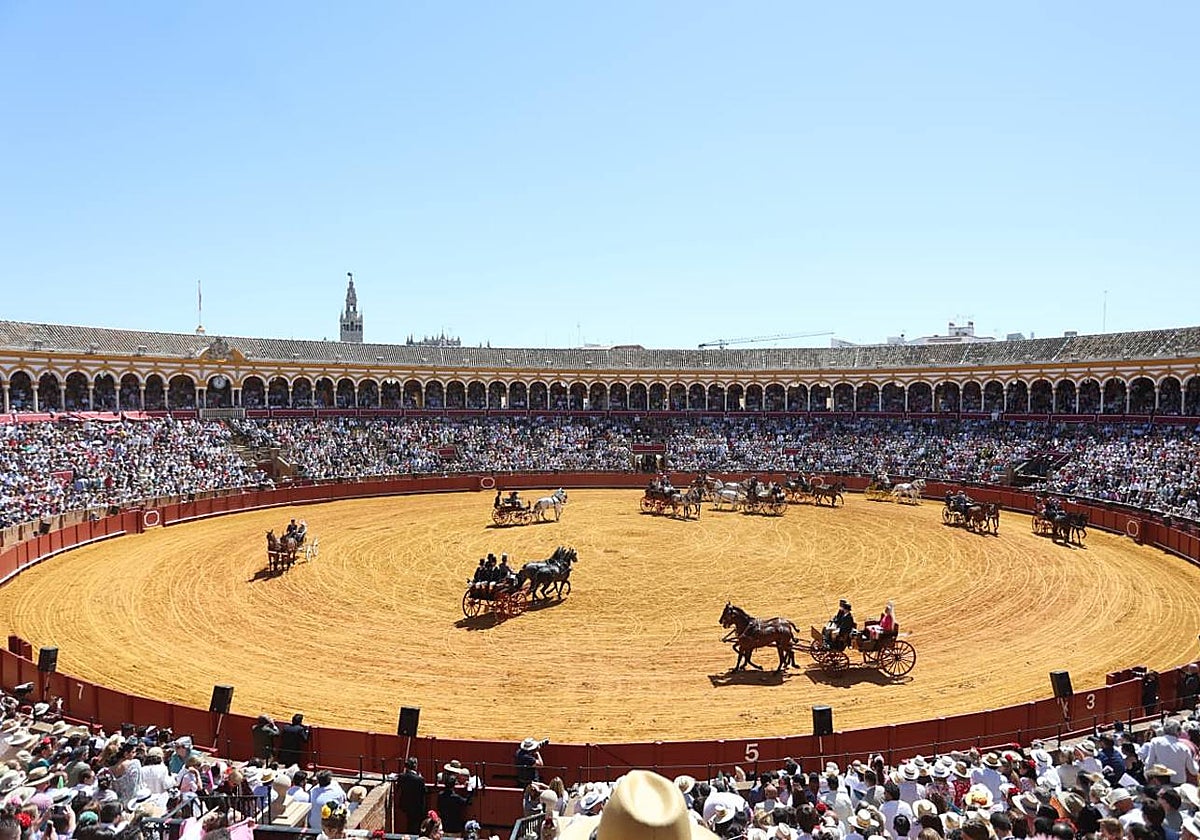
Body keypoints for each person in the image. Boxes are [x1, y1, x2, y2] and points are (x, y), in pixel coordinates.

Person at [398, 756, 428, 835]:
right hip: (417, 807)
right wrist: (421, 778)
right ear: (415, 766)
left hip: (406, 805)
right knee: (416, 826)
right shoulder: (420, 779)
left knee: (409, 823)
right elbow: (425, 791)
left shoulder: (401, 776)